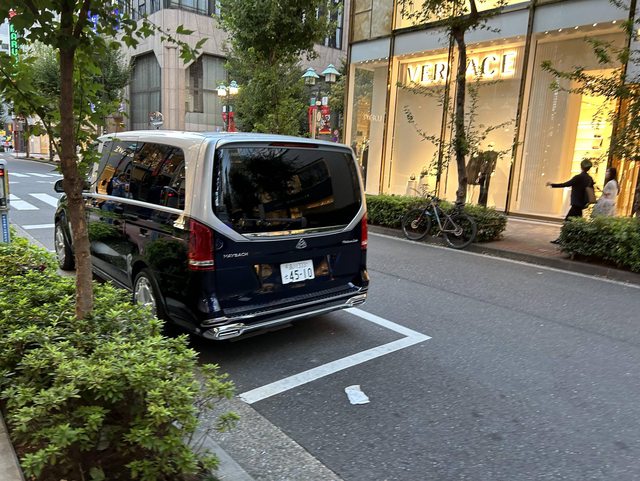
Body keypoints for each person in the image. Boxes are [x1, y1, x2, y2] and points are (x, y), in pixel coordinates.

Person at [546, 158, 595, 244]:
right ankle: (573, 240)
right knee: (577, 223)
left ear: (581, 167)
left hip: (576, 203)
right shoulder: (589, 178)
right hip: (582, 204)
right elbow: (591, 190)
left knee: (567, 222)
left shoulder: (578, 177)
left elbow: (566, 184)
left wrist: (552, 184)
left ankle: (563, 239)